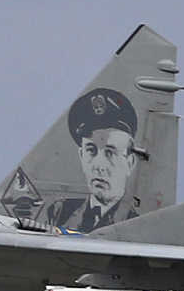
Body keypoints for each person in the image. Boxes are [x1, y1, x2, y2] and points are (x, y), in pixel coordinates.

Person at [44, 87, 140, 232]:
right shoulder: (59, 212)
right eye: (91, 150)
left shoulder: (136, 225)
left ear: (130, 163)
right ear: (82, 156)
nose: (99, 166)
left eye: (109, 152)